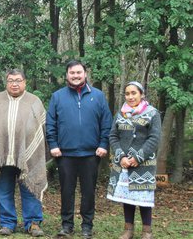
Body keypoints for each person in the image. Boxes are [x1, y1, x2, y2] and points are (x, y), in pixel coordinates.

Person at [46, 60, 112, 239]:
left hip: (91, 154)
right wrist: (53, 145)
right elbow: (51, 123)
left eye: (78, 72)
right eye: (72, 72)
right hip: (65, 154)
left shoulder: (98, 96)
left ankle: (87, 226)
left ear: (85, 74)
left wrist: (103, 144)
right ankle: (66, 226)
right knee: (67, 192)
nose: (75, 75)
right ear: (67, 75)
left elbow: (106, 122)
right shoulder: (58, 96)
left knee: (88, 192)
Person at [0, 69, 48, 237]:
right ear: (6, 82)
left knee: (30, 186)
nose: (14, 83)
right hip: (0, 155)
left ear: (25, 82)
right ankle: (7, 223)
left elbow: (42, 128)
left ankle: (33, 223)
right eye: (11, 80)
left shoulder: (34, 101)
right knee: (2, 189)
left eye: (18, 80)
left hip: (27, 155)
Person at [106, 82, 161, 239]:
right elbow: (113, 136)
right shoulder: (120, 114)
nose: (130, 97)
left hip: (143, 164)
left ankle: (147, 232)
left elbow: (154, 138)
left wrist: (138, 157)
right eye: (127, 94)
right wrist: (121, 156)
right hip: (123, 163)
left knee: (143, 199)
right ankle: (128, 230)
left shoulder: (152, 113)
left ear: (141, 94)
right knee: (127, 198)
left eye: (133, 93)